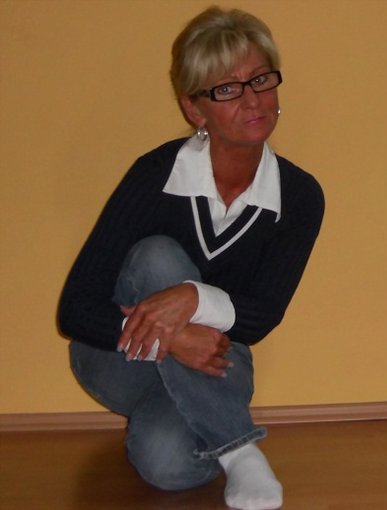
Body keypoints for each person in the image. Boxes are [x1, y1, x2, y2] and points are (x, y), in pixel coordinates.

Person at [58, 6, 324, 510]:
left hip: (215, 360)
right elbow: (76, 310)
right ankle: (240, 448)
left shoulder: (300, 196)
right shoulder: (154, 175)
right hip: (116, 357)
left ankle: (202, 422)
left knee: (169, 466)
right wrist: (176, 335)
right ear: (194, 109)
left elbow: (261, 315)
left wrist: (192, 298)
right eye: (227, 88)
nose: (252, 99)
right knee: (157, 255)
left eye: (260, 79)